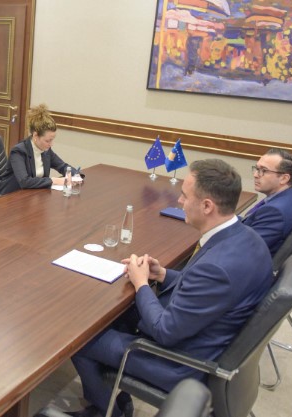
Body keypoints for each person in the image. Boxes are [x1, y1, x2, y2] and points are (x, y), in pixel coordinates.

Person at [68, 159, 273, 417]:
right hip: (204, 334)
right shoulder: (247, 238)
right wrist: (162, 274)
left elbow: (165, 331)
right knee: (117, 317)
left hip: (181, 364)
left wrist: (142, 283)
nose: (179, 201)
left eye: (185, 196)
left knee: (80, 339)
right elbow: (205, 290)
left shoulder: (217, 268)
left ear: (207, 206)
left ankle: (108, 411)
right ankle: (118, 401)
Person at [0, 104, 79, 194]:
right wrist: (54, 180)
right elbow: (24, 181)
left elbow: (62, 166)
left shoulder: (46, 150)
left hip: (34, 195)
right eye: (48, 141)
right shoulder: (18, 152)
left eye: (52, 140)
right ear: (35, 135)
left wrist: (76, 175)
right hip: (11, 196)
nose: (51, 144)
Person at [243, 148, 292, 256]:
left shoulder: (275, 212)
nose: (256, 174)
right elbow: (252, 221)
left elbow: (244, 247)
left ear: (284, 178)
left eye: (264, 170)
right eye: (257, 168)